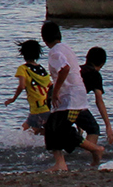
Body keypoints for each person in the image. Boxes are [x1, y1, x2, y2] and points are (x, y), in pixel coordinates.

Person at [40, 21, 102, 171]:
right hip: (74, 95)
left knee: (60, 129)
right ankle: (60, 163)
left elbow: (65, 69)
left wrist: (55, 91)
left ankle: (95, 149)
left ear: (44, 39)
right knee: (52, 128)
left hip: (69, 97)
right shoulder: (65, 47)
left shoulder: (54, 52)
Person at [3, 39, 51, 134]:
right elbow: (50, 85)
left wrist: (13, 99)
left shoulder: (23, 69)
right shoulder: (42, 69)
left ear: (23, 54)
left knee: (27, 131)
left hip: (37, 108)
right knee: (41, 130)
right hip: (47, 105)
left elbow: (22, 85)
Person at [81, 46, 113, 148]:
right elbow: (99, 101)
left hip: (56, 101)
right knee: (93, 129)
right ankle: (86, 156)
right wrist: (108, 125)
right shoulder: (95, 75)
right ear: (102, 64)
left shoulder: (78, 69)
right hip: (72, 104)